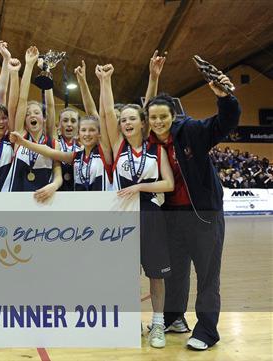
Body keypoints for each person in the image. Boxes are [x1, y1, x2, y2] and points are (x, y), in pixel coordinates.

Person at [146, 71, 240, 350]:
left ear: (173, 115)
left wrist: (225, 97)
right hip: (171, 218)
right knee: (174, 272)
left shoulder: (191, 131)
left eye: (163, 116)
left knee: (207, 274)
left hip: (203, 215)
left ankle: (207, 331)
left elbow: (225, 123)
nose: (158, 121)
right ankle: (174, 318)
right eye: (153, 117)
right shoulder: (148, 142)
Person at [99, 63, 174, 348]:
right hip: (123, 217)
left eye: (132, 118)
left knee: (156, 274)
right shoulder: (117, 146)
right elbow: (106, 112)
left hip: (151, 213)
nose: (127, 122)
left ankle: (158, 324)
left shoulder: (157, 149)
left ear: (143, 123)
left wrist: (140, 186)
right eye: (123, 120)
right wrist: (106, 80)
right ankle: (132, 321)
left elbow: (168, 184)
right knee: (127, 274)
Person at [3, 46, 63, 202]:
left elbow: (58, 175)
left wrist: (54, 185)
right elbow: (22, 100)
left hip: (44, 200)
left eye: (36, 112)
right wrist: (29, 65)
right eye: (28, 114)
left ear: (44, 118)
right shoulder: (20, 135)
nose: (31, 115)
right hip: (15, 200)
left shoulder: (53, 142)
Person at [9, 114, 112, 191]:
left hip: (101, 207)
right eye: (83, 130)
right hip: (81, 208)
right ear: (78, 133)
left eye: (92, 130)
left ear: (99, 134)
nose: (87, 134)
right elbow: (49, 151)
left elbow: (101, 113)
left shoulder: (104, 152)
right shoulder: (76, 156)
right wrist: (22, 142)